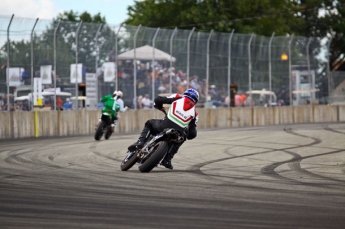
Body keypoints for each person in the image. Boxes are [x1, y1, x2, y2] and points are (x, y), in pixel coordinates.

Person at [128, 88, 199, 170]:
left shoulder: (178, 97)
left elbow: (158, 99)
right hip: (178, 133)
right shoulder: (195, 113)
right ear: (196, 101)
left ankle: (140, 142)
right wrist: (188, 134)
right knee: (183, 137)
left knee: (150, 123)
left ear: (185, 94)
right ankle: (167, 160)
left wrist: (159, 106)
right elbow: (192, 133)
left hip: (165, 125)